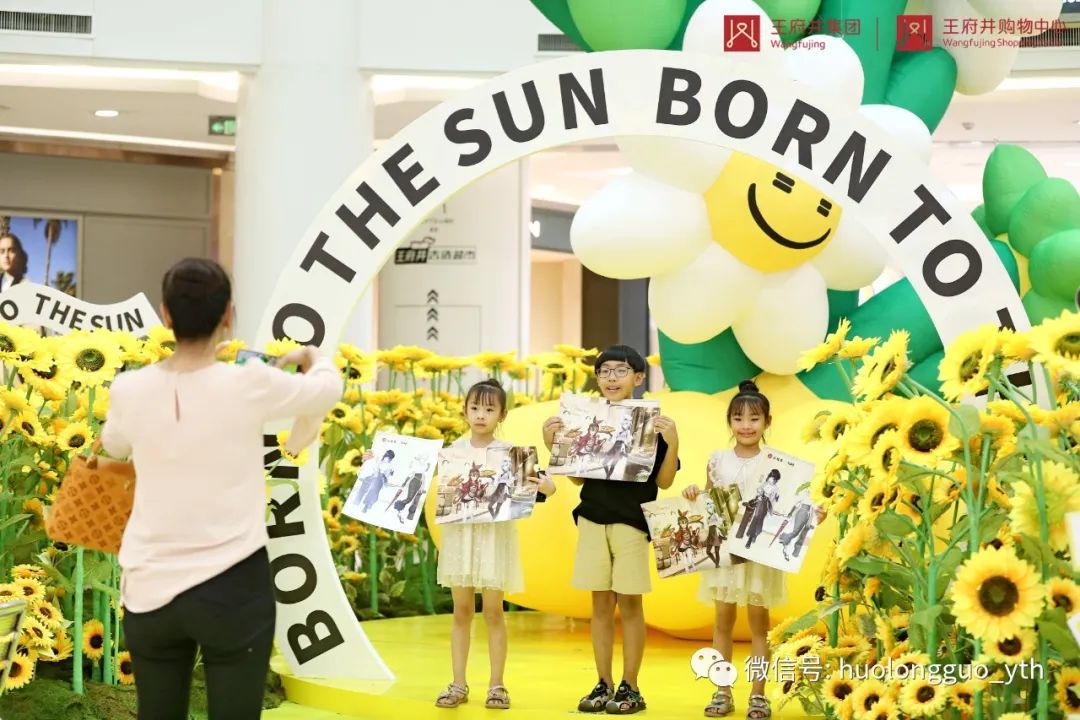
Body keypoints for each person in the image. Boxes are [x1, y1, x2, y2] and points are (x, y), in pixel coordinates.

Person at [100, 257, 341, 720]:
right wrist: (315, 360)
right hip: (233, 585)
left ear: (166, 315)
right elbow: (326, 391)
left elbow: (113, 444)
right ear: (228, 315)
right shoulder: (250, 382)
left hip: (149, 584)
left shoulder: (129, 388)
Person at [543, 345, 680, 715]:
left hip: (632, 523)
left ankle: (630, 686)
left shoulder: (652, 424)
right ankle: (603, 683)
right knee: (600, 606)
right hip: (592, 518)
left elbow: (665, 482)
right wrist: (552, 441)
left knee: (631, 605)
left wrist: (674, 442)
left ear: (638, 378)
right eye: (604, 371)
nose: (611, 378)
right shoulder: (586, 419)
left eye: (621, 371)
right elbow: (576, 477)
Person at [435, 379, 556, 711]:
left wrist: (547, 485)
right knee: (461, 611)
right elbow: (412, 475)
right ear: (464, 411)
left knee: (493, 612)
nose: (480, 415)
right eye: (474, 408)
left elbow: (546, 489)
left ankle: (497, 685)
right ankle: (457, 684)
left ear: (502, 414)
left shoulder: (511, 454)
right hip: (460, 538)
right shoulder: (452, 452)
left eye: (489, 409)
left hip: (493, 539)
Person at [683, 380, 786, 720]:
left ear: (767, 422)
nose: (746, 425)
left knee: (759, 625)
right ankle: (721, 690)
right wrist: (694, 493)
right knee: (722, 621)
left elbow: (784, 508)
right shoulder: (718, 460)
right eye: (738, 418)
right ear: (729, 422)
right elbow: (709, 502)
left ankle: (758, 695)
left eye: (754, 419)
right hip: (726, 551)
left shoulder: (777, 463)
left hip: (758, 553)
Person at [743, 469, 781, 550]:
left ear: (776, 479)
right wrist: (760, 494)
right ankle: (750, 538)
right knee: (756, 518)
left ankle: (755, 535)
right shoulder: (766, 483)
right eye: (771, 477)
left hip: (766, 504)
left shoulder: (776, 488)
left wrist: (771, 502)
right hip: (760, 502)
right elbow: (759, 489)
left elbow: (774, 500)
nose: (772, 480)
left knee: (760, 520)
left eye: (774, 479)